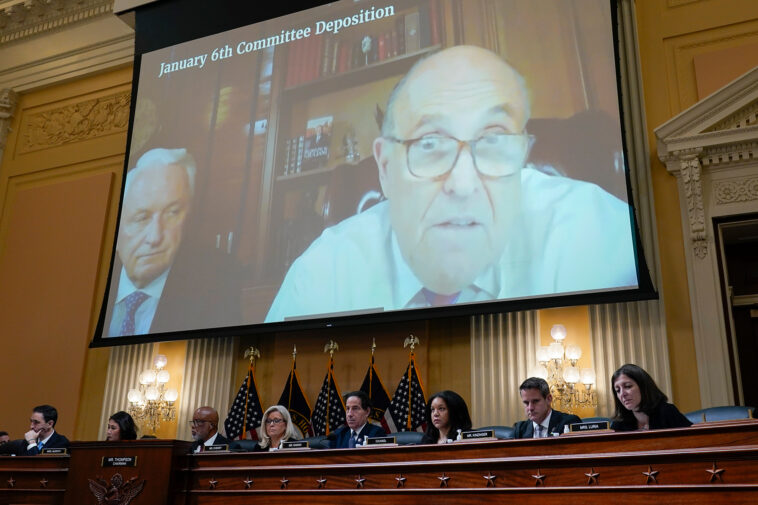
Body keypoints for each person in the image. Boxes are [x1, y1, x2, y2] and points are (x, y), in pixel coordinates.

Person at [266, 45, 637, 322]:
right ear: (385, 169)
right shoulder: (327, 270)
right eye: (429, 145)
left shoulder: (589, 230)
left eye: (490, 141)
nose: (463, 184)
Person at [104, 148, 195, 336]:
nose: (155, 238)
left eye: (172, 213)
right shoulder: (87, 286)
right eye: (141, 218)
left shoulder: (210, 293)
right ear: (117, 228)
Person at [610, 364, 693, 431]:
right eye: (618, 390)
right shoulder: (619, 423)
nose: (622, 394)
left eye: (628, 386)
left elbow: (694, 440)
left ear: (643, 387)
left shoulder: (667, 412)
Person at [513, 378, 581, 438]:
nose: (530, 408)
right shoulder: (520, 429)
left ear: (549, 399)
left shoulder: (569, 423)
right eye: (526, 403)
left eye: (535, 401)